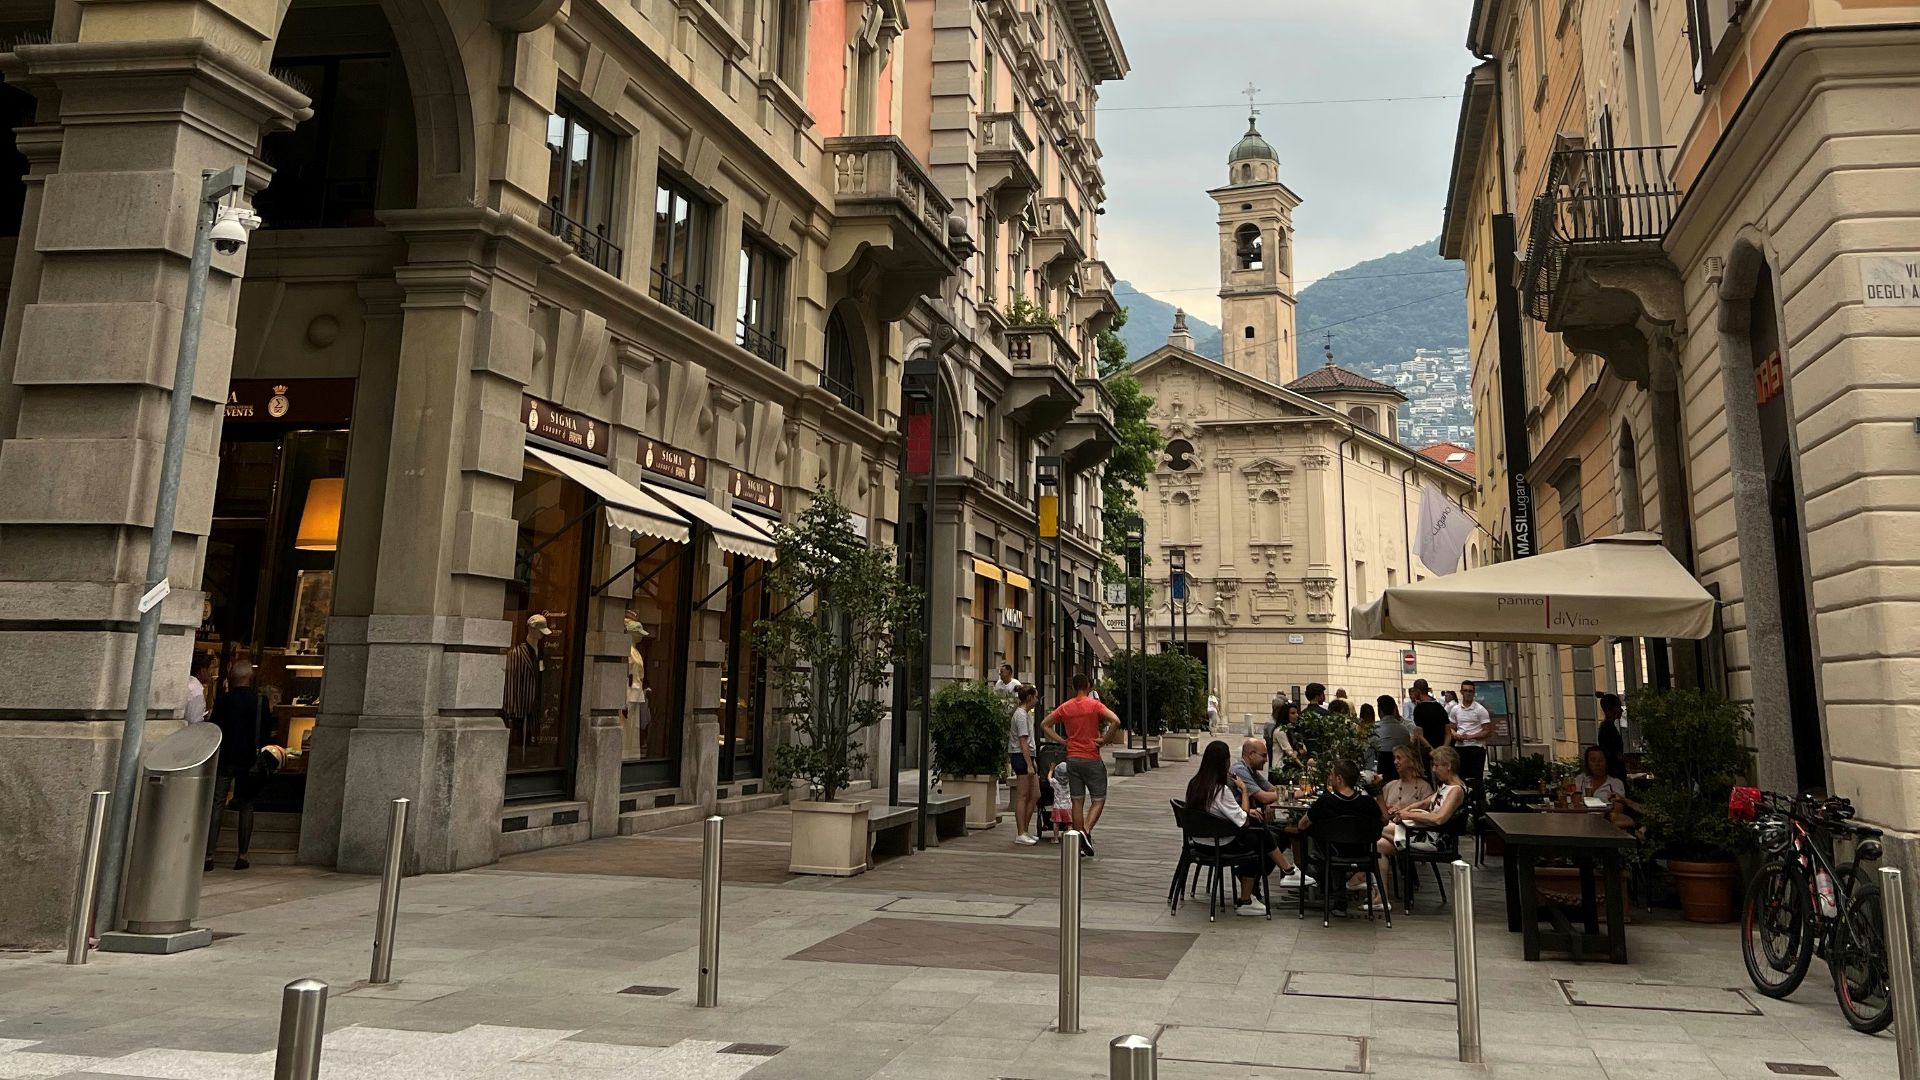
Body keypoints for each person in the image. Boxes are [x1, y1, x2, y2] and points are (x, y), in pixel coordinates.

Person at [1187, 741, 1300, 915]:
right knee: (1258, 836)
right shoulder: (1220, 790)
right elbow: (1244, 819)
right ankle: (1248, 898)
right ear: (1223, 762)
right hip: (1219, 843)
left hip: (1199, 841)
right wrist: (1244, 791)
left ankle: (1286, 872)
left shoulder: (1195, 785)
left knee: (1260, 833)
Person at [1039, 672, 1120, 857]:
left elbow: (1044, 724)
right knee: (1098, 798)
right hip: (1091, 757)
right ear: (1089, 686)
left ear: (1073, 687)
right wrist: (1104, 739)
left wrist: (1063, 741)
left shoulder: (1066, 707)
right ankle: (1086, 831)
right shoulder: (1094, 705)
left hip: (1072, 758)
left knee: (1077, 800)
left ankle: (1079, 844)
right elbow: (1116, 720)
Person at [206, 660, 271, 871]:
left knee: (217, 803)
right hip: (249, 760)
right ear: (250, 678)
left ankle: (208, 854)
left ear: (232, 678)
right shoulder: (260, 701)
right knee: (247, 805)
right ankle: (242, 854)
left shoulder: (224, 700)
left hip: (225, 757)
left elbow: (214, 728)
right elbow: (266, 732)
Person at [1377, 745, 1468, 889]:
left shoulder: (1456, 790)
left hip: (1435, 837)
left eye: (1436, 766)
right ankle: (1380, 897)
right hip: (1424, 832)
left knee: (1374, 828)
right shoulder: (1445, 787)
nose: (1433, 770)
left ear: (1448, 766)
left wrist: (1407, 815)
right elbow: (1424, 803)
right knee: (1379, 845)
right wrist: (1403, 812)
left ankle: (1357, 877)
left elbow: (1439, 818)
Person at [1287, 759, 1379, 895]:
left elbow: (1302, 824)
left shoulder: (1326, 801)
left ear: (1339, 779)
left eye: (1331, 775)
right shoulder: (1368, 802)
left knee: (1307, 835)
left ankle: (1315, 882)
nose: (1330, 778)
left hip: (1332, 853)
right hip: (1362, 853)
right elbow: (1382, 821)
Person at [1008, 686, 1041, 846]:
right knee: (1022, 795)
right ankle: (1021, 832)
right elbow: (1023, 741)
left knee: (1035, 794)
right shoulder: (1020, 715)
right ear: (1029, 697)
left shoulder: (1026, 715)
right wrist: (1029, 763)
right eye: (1036, 697)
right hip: (1021, 757)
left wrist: (1032, 760)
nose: (1037, 699)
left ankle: (1025, 830)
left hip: (1027, 756)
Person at [1578, 744, 1639, 829]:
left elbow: (1618, 810)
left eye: (1600, 760)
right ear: (1587, 763)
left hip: (1605, 823)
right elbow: (1574, 805)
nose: (1597, 764)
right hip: (1582, 822)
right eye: (1592, 760)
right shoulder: (1580, 780)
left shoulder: (1615, 783)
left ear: (1606, 762)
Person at [1446, 679, 1493, 786]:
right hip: (1460, 747)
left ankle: (1477, 800)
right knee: (1459, 778)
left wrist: (1470, 737)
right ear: (1461, 692)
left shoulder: (1480, 710)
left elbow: (1487, 731)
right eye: (1466, 691)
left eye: (1470, 691)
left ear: (1474, 692)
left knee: (1475, 780)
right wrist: (1455, 734)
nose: (1468, 693)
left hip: (1475, 748)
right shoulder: (1455, 709)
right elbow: (1451, 727)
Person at [1379, 744, 1434, 819]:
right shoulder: (1390, 786)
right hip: (1388, 824)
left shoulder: (1424, 787)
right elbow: (1378, 810)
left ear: (1411, 761)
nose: (1395, 762)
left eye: (1399, 758)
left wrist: (1403, 812)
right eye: (1394, 758)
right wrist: (1388, 810)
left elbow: (1428, 813)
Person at [1408, 679, 1450, 762]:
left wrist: (1433, 752)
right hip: (1441, 751)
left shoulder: (1418, 709)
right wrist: (1443, 750)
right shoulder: (1440, 707)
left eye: (1414, 691)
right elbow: (1448, 733)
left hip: (1426, 752)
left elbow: (1419, 735)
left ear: (1418, 691)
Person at [1372, 695, 1411, 780]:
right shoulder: (1404, 730)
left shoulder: (1374, 730)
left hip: (1381, 774)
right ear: (1394, 710)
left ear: (1380, 711)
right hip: (1401, 773)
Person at [1597, 693, 1626, 773]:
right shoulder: (1608, 729)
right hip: (1614, 771)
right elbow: (1612, 753)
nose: (1621, 710)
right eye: (1619, 707)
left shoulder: (1608, 727)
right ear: (1611, 709)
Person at [185, 651, 214, 724]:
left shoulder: (188, 682)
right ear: (203, 671)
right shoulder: (196, 691)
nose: (212, 673)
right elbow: (195, 722)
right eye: (211, 669)